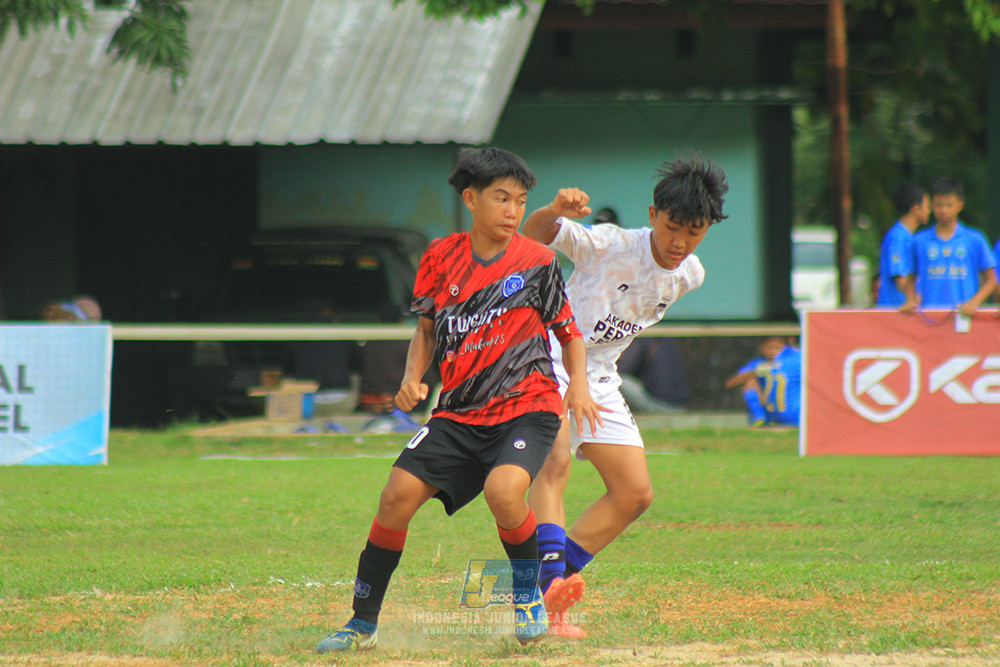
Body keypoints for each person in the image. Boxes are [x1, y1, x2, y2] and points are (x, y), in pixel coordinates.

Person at [315, 147, 602, 653]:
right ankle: (362, 624)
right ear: (471, 199)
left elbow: (570, 333)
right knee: (394, 499)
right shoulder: (440, 257)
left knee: (505, 491)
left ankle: (527, 597)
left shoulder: (537, 262)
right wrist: (413, 378)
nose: (513, 211)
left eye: (520, 201)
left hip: (526, 405)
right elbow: (426, 330)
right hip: (458, 412)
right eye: (501, 198)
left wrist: (577, 384)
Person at [522, 156, 728, 637]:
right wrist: (555, 208)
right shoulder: (608, 243)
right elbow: (534, 235)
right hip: (546, 354)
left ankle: (550, 584)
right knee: (554, 463)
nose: (680, 242)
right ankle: (549, 592)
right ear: (652, 213)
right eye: (673, 227)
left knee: (634, 493)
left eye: (694, 231)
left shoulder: (689, 274)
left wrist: (585, 379)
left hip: (598, 376)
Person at [901, 176, 996, 316]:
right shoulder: (919, 241)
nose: (944, 211)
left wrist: (975, 302)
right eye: (939, 205)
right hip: (929, 317)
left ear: (960, 205)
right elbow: (910, 278)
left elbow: (992, 279)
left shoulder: (975, 239)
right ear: (932, 205)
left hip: (964, 317)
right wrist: (910, 300)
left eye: (949, 205)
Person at [724, 336, 801, 427]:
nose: (773, 352)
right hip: (770, 413)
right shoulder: (758, 363)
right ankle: (760, 418)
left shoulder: (794, 361)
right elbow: (730, 383)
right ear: (761, 349)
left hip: (793, 414)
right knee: (749, 382)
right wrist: (755, 372)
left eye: (777, 348)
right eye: (769, 348)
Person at [875, 182, 929, 308]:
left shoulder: (908, 238)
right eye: (926, 206)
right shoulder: (898, 238)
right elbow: (901, 280)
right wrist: (919, 300)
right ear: (916, 209)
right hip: (895, 313)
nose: (929, 211)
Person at [615, 336, 690, 413]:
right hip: (680, 405)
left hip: (657, 403)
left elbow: (624, 369)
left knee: (616, 378)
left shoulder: (644, 338)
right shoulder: (667, 337)